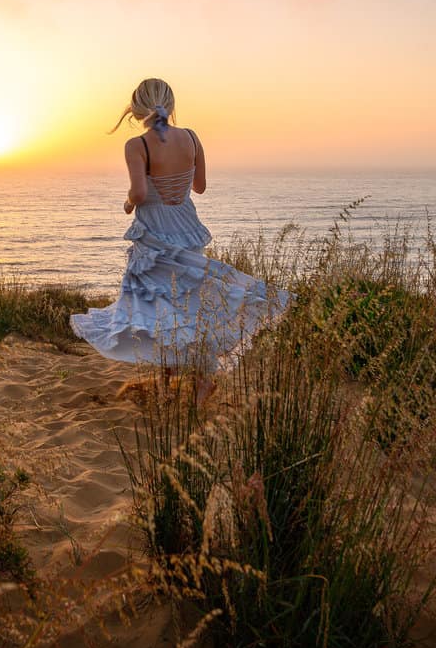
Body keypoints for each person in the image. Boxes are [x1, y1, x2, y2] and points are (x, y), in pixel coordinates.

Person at [69, 78, 292, 404]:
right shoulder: (191, 137)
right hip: (186, 226)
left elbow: (140, 193)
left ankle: (173, 382)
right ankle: (194, 382)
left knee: (158, 310)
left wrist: (129, 203)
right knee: (190, 306)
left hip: (155, 231)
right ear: (171, 106)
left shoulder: (137, 146)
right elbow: (199, 187)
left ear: (136, 109)